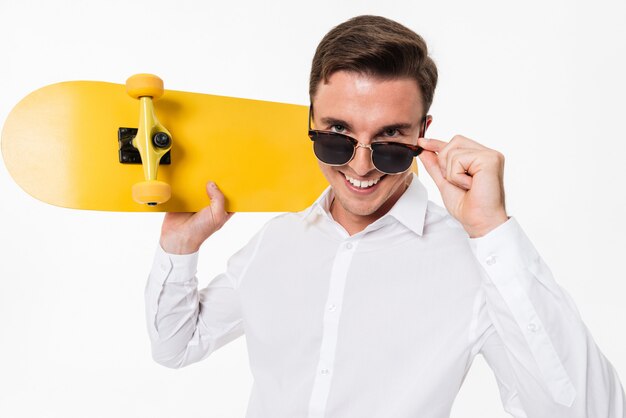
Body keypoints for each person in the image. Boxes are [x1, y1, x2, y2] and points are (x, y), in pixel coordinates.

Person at [145, 15, 625, 417]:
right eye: (337, 133)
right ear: (310, 120)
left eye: (392, 140)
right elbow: (176, 346)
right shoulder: (277, 240)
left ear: (424, 133)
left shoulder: (476, 265)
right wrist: (180, 247)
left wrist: (491, 231)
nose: (360, 165)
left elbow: (587, 411)